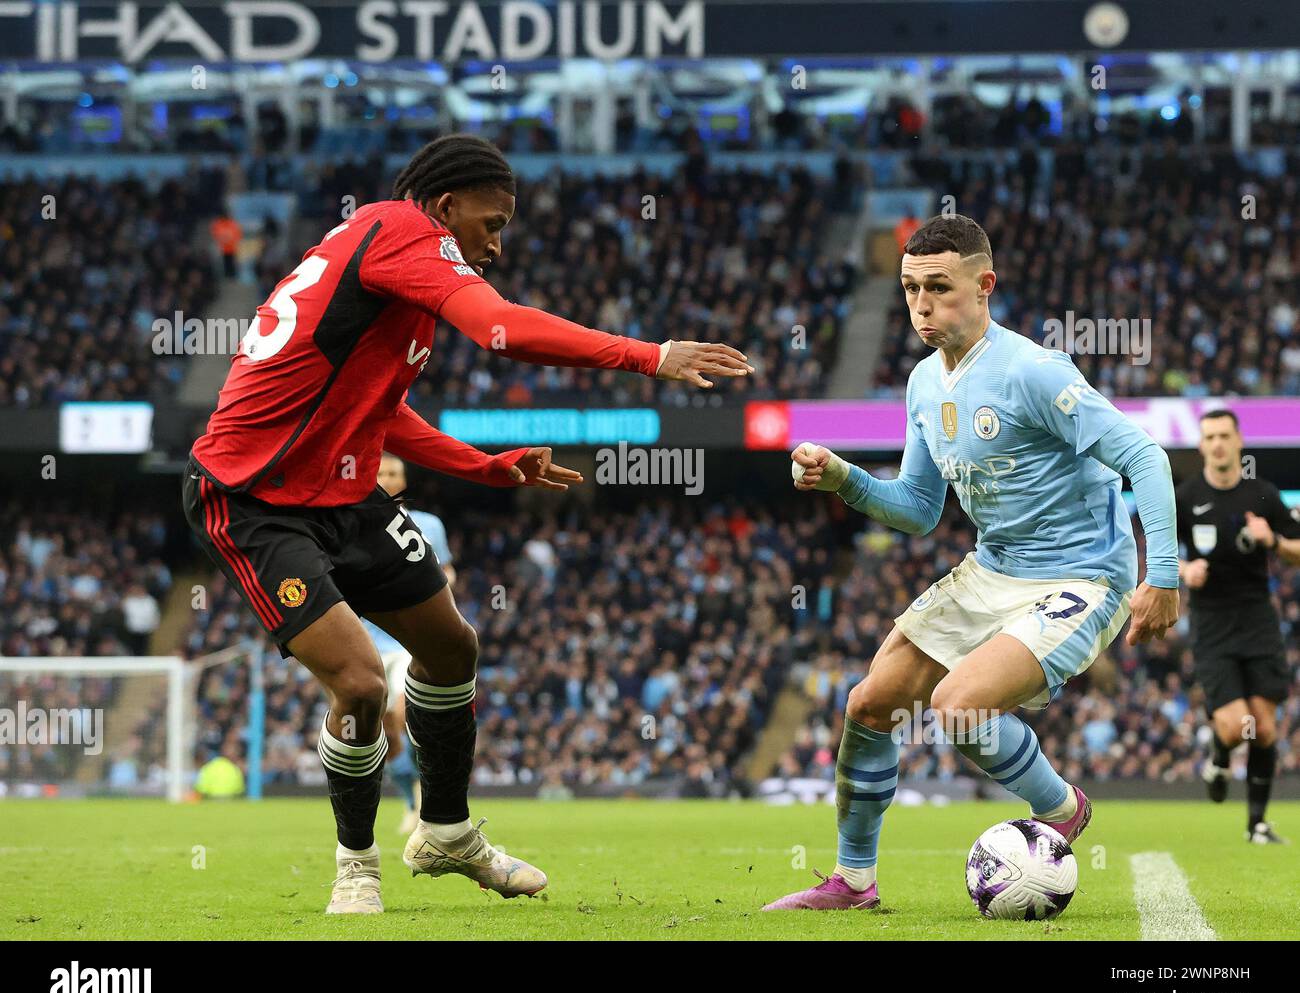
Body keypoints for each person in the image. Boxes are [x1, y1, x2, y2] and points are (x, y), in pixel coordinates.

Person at [183, 133, 751, 914]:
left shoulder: (388, 265)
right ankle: (356, 864)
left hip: (341, 492)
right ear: (446, 207)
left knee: (451, 647)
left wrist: (486, 466)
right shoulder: (403, 233)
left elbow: (383, 416)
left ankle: (446, 832)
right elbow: (501, 329)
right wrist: (649, 355)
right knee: (355, 681)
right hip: (253, 495)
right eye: (493, 221)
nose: (497, 242)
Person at [766, 214, 1179, 911]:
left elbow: (1146, 454)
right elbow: (920, 508)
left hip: (1082, 575)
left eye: (939, 287)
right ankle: (853, 883)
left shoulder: (1033, 370)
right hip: (994, 568)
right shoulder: (924, 383)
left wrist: (1161, 574)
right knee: (868, 703)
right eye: (909, 290)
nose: (922, 306)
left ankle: (1061, 806)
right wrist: (844, 477)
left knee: (959, 707)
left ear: (985, 286)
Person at [1177, 409, 1299, 844]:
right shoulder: (1187, 495)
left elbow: (1297, 549)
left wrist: (1275, 541)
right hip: (1212, 624)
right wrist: (1182, 569)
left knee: (1264, 728)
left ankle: (1257, 825)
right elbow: (1159, 550)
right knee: (1235, 725)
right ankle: (1220, 752)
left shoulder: (1262, 494)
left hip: (1257, 619)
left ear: (1239, 440)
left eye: (1224, 436)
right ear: (1202, 445)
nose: (1217, 444)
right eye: (1209, 437)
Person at [371, 453, 456, 836]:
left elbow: (447, 568)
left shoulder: (428, 525)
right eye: (382, 472)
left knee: (409, 717)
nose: (388, 478)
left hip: (411, 637)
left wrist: (439, 586)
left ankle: (432, 800)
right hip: (370, 638)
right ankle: (410, 799)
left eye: (394, 473)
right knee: (386, 730)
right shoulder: (355, 523)